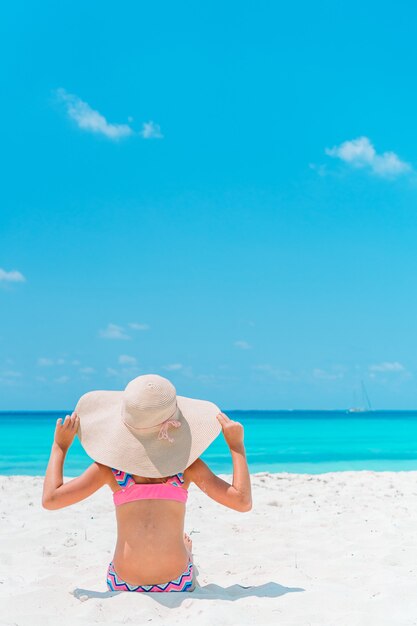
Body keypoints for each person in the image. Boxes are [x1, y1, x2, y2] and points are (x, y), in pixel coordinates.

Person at [42, 374, 252, 592]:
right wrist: (236, 447)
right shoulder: (188, 467)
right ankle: (185, 552)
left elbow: (51, 499)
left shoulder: (111, 471)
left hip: (123, 582)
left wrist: (60, 446)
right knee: (185, 549)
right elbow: (242, 501)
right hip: (177, 581)